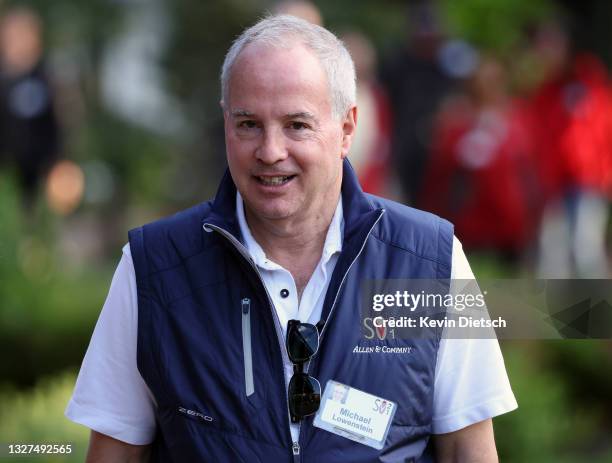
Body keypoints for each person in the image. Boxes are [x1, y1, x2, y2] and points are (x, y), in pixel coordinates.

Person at [66, 15, 517, 462]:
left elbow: (469, 451)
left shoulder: (429, 261)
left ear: (346, 129)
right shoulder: (154, 268)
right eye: (248, 124)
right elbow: (115, 453)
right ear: (226, 123)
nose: (270, 151)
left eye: (296, 125)